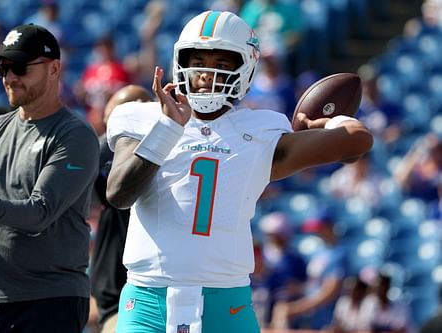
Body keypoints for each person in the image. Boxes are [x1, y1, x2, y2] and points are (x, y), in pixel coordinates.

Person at [105, 10, 373, 333]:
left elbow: (357, 141)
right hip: (149, 301)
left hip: (226, 301)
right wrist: (167, 128)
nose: (206, 73)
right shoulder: (141, 118)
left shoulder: (261, 130)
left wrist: (329, 119)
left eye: (221, 64)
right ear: (181, 62)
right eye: (199, 60)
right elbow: (118, 194)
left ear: (245, 69)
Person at [0, 23, 99, 332]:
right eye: (3, 68)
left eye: (21, 67)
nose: (10, 77)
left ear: (54, 68)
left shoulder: (74, 135)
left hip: (51, 297)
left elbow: (39, 213)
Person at [89, 84, 153, 333]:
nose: (109, 136)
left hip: (136, 306)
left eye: (115, 123)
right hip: (113, 306)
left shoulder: (147, 167)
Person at [274, 212, 348, 330]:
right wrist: (299, 288)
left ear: (328, 227)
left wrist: (297, 308)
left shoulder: (338, 254)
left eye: (319, 228)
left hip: (327, 322)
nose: (316, 232)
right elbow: (314, 286)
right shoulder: (320, 251)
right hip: (311, 319)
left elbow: (331, 292)